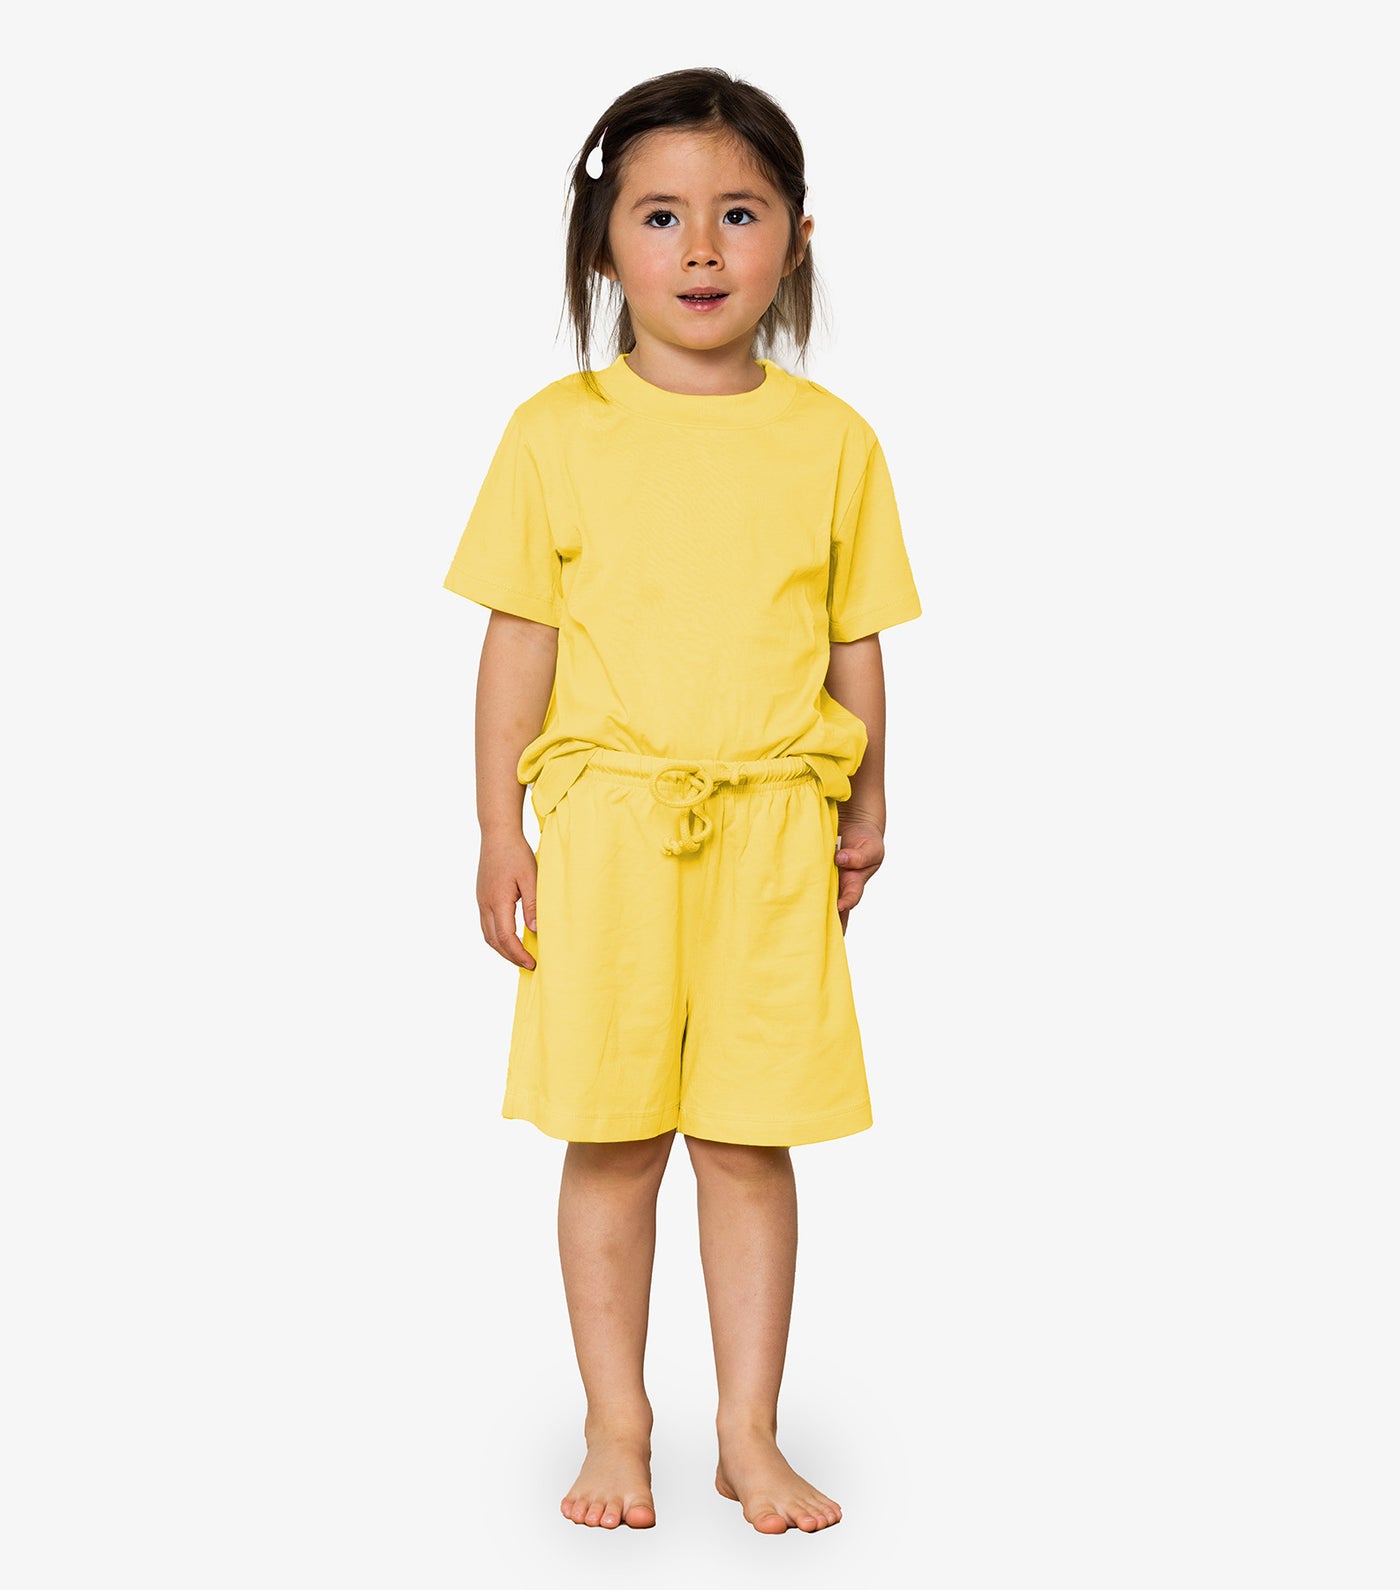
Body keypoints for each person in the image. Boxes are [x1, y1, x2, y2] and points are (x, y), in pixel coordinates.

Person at [442, 67, 922, 1536]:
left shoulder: (832, 439)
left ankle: (748, 1432)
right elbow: (517, 637)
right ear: (604, 244)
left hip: (775, 831)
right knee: (613, 1133)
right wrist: (498, 829)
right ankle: (618, 1422)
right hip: (607, 832)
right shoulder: (557, 431)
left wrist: (868, 803)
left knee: (747, 1138)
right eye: (660, 215)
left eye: (739, 213)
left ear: (797, 238)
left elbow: (854, 639)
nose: (702, 248)